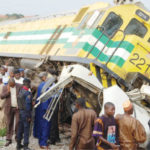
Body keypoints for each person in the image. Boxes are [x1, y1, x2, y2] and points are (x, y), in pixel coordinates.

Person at [1, 78, 22, 146]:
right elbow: (1, 96)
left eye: (13, 85)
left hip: (17, 108)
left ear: (15, 83)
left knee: (18, 122)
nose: (12, 86)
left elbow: (22, 95)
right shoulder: (5, 87)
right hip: (9, 108)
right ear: (9, 84)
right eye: (11, 85)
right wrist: (8, 92)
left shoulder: (19, 86)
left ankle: (17, 138)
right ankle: (8, 138)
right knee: (9, 123)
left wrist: (20, 104)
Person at [33, 72, 52, 149]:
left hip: (40, 108)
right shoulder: (45, 86)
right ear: (44, 77)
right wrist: (47, 109)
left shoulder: (41, 85)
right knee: (45, 126)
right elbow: (45, 99)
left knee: (40, 125)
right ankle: (43, 143)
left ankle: (40, 139)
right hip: (44, 109)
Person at [17, 78, 32, 150]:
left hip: (20, 112)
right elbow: (28, 106)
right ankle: (25, 146)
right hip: (25, 113)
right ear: (28, 84)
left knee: (20, 129)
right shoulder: (27, 93)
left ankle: (18, 145)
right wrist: (29, 116)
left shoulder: (20, 91)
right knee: (26, 130)